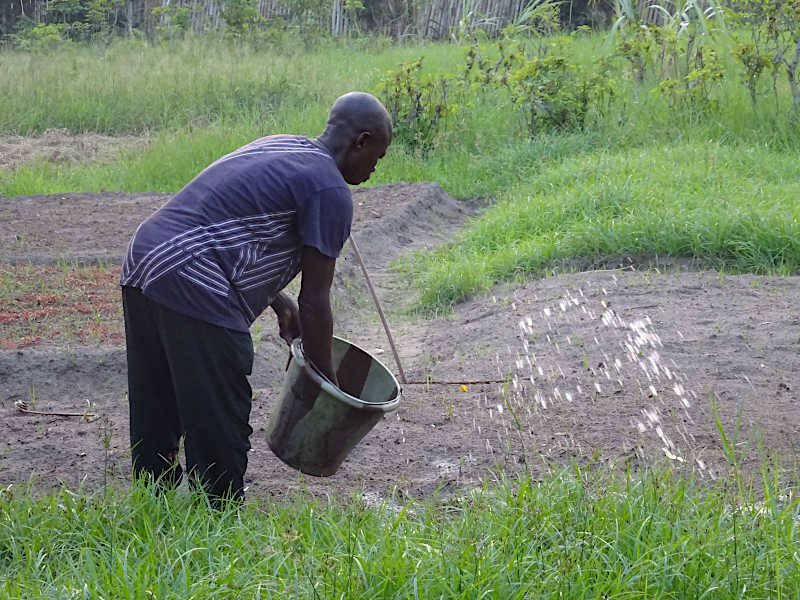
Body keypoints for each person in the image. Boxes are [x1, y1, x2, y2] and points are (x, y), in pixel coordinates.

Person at [120, 92, 392, 503]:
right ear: (360, 141)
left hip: (145, 259)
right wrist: (326, 390)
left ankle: (152, 501)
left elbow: (229, 226)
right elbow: (316, 299)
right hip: (195, 278)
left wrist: (279, 303)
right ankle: (219, 512)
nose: (375, 167)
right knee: (220, 414)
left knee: (155, 398)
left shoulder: (283, 145)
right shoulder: (328, 189)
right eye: (377, 156)